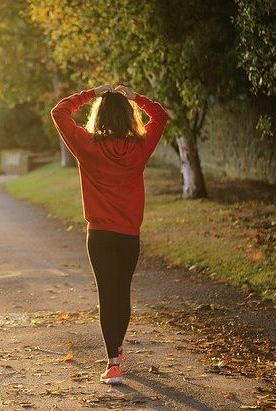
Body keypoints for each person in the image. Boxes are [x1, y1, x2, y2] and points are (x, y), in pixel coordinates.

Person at [50, 84, 169, 384]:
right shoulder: (140, 148)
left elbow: (59, 112)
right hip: (129, 236)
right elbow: (161, 116)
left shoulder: (87, 146)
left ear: (99, 116)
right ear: (129, 117)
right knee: (122, 292)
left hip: (100, 235)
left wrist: (92, 93)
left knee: (107, 295)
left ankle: (113, 362)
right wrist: (136, 97)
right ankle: (116, 349)